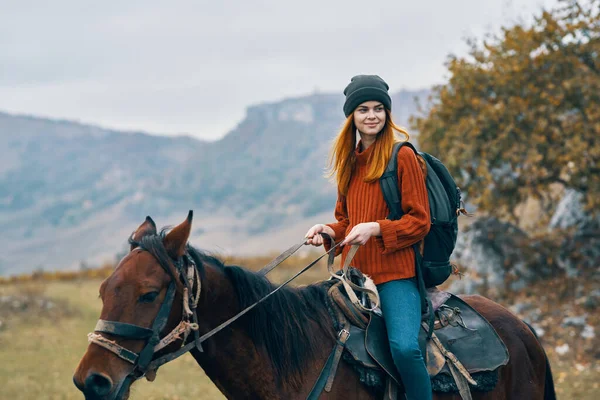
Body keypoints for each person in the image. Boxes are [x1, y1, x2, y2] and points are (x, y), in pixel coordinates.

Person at [305, 75, 432, 400]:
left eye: (378, 108)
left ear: (387, 113)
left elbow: (420, 221)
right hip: (356, 277)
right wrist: (328, 231)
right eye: (363, 109)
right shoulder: (349, 162)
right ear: (352, 116)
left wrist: (378, 228)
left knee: (404, 349)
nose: (371, 115)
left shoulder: (401, 156)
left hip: (395, 276)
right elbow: (347, 223)